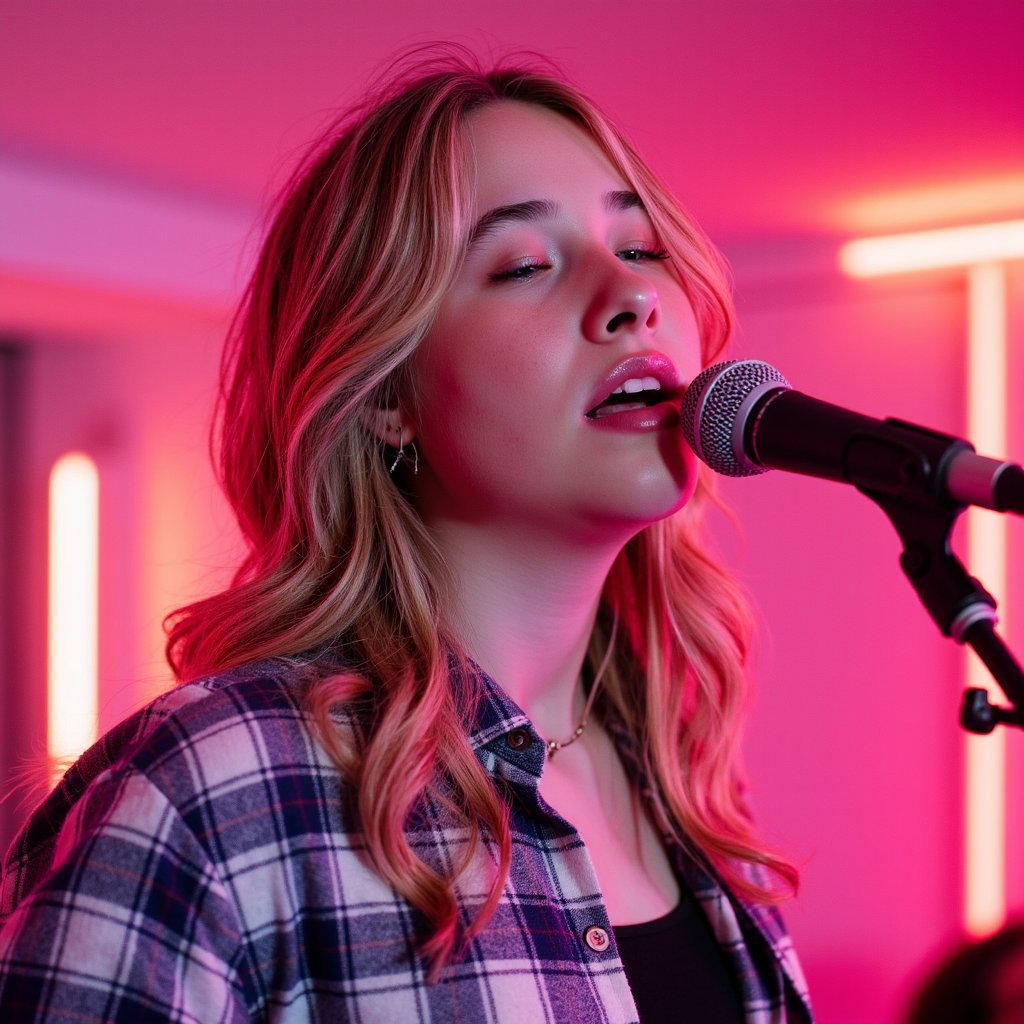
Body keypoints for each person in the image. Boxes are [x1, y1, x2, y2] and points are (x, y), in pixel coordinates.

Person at [0, 48, 812, 1022]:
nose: (631, 296)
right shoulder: (212, 787)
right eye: (524, 265)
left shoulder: (686, 794)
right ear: (388, 397)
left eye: (641, 250)